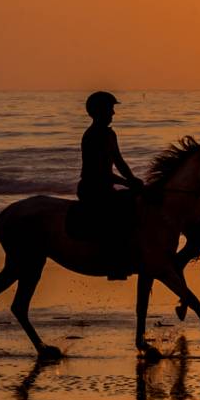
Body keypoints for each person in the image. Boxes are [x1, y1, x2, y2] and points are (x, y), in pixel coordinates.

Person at [76, 91, 143, 280]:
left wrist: (132, 179)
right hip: (93, 189)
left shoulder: (109, 133)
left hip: (105, 187)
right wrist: (127, 182)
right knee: (118, 216)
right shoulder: (93, 135)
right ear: (99, 111)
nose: (113, 113)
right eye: (110, 109)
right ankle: (115, 263)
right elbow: (100, 172)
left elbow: (119, 162)